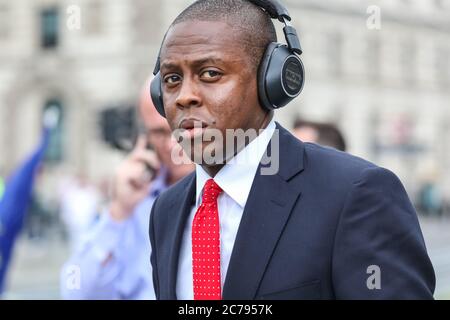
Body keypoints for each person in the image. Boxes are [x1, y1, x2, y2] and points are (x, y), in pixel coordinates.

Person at [148, 0, 435, 300]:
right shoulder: (166, 210)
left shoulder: (356, 194)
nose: (185, 97)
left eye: (210, 74)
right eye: (172, 79)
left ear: (270, 81)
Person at [60, 79, 194, 299]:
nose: (172, 144)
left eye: (182, 128)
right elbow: (75, 290)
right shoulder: (134, 203)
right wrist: (118, 213)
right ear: (144, 138)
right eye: (160, 133)